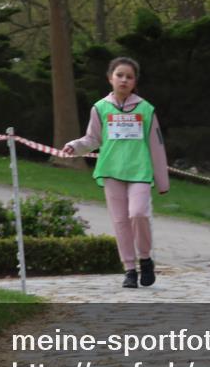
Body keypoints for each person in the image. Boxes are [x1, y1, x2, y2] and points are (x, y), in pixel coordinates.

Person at [63, 57, 169, 289]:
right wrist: (75, 146)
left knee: (138, 214)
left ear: (134, 82)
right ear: (110, 78)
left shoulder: (146, 109)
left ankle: (145, 258)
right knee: (120, 221)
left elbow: (156, 146)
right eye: (119, 75)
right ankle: (129, 269)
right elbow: (93, 139)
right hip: (111, 171)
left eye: (129, 77)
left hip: (139, 171)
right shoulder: (100, 108)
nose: (124, 80)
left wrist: (162, 181)